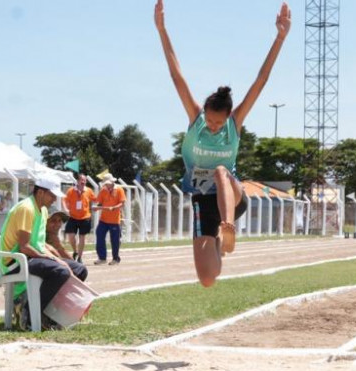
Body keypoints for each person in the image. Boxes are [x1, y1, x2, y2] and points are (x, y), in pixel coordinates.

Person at [154, 0, 291, 286]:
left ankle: (227, 226)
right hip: (203, 202)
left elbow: (261, 81)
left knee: (220, 170)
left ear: (228, 116)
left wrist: (279, 38)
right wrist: (162, 29)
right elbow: (177, 77)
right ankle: (219, 237)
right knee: (207, 278)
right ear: (204, 112)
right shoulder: (196, 120)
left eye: (219, 123)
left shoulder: (234, 123)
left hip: (233, 198)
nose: (214, 127)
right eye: (211, 121)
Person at [1, 176, 88, 330]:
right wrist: (53, 259)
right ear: (40, 192)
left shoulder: (43, 210)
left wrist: (57, 257)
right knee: (60, 271)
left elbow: (40, 244)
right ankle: (28, 314)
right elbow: (24, 247)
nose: (54, 199)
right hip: (15, 261)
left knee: (79, 269)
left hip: (29, 257)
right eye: (52, 195)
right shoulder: (26, 208)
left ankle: (52, 313)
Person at [93, 174, 126, 265]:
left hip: (115, 220)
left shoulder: (119, 189)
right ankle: (102, 258)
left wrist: (114, 207)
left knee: (115, 240)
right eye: (105, 183)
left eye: (107, 183)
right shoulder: (103, 190)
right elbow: (100, 203)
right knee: (99, 235)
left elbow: (122, 203)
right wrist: (97, 207)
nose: (106, 185)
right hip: (103, 219)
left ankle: (115, 259)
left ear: (112, 182)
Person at [63, 174, 95, 263]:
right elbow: (64, 200)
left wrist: (98, 205)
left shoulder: (89, 191)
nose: (83, 182)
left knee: (82, 237)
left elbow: (95, 199)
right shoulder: (71, 191)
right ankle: (75, 251)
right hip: (73, 217)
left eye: (84, 180)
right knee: (71, 236)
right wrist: (65, 209)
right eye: (81, 180)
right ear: (77, 181)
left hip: (85, 217)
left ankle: (80, 257)